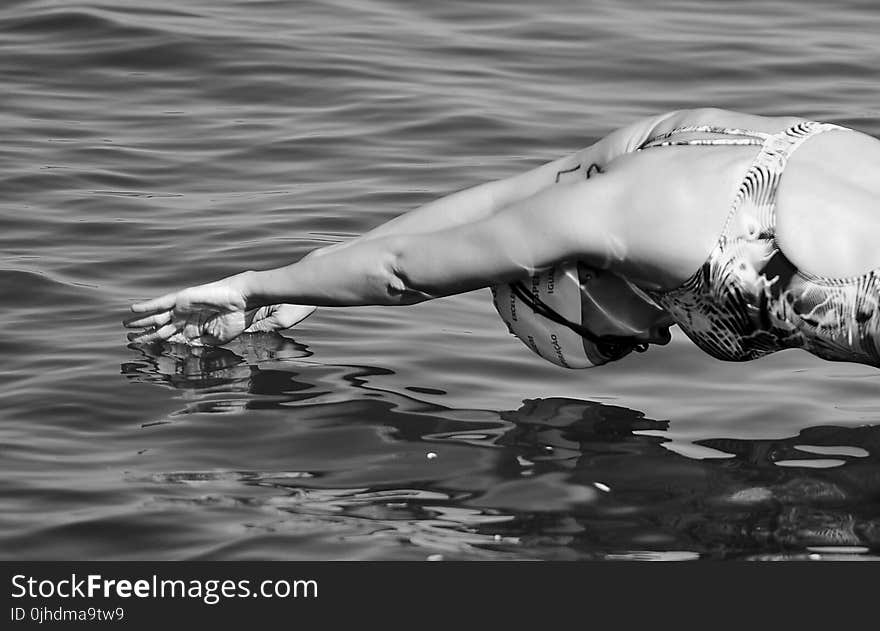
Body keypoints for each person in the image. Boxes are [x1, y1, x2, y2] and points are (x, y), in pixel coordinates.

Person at [125, 107, 880, 368]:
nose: (653, 340)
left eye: (612, 337)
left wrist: (251, 286)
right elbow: (486, 203)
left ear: (579, 281)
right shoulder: (669, 141)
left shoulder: (623, 217)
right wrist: (307, 283)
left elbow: (402, 274)